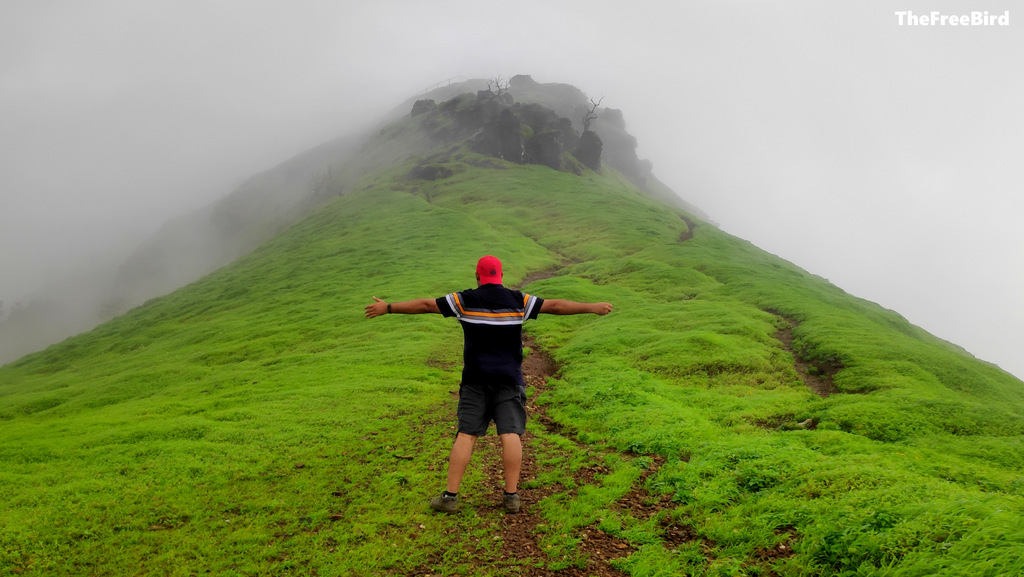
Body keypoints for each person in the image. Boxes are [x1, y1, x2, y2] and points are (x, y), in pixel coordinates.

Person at [364, 255, 612, 514]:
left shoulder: (464, 300)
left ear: (477, 276)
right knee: (511, 433)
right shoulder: (519, 301)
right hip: (509, 380)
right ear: (501, 276)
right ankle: (511, 497)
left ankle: (450, 498)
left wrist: (388, 307)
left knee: (466, 434)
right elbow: (556, 306)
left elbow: (426, 305)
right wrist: (591, 307)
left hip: (475, 380)